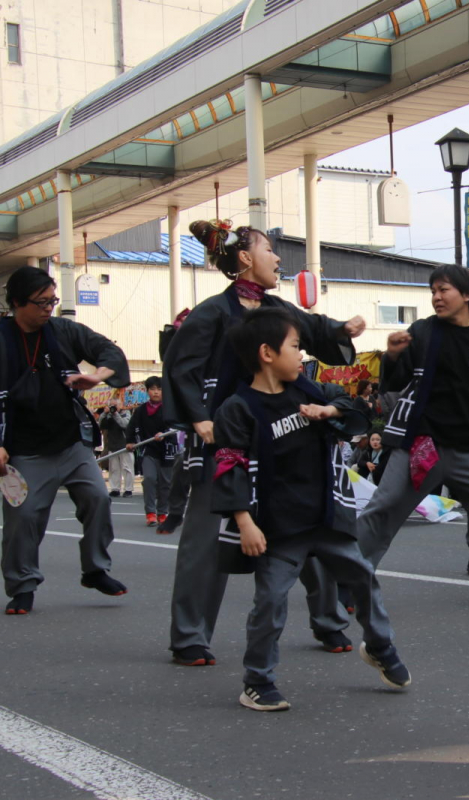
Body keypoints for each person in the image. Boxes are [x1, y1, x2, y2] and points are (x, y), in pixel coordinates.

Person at [162, 219, 363, 666]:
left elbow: (314, 329)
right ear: (246, 258)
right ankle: (190, 635)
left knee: (310, 525)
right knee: (206, 539)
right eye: (269, 249)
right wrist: (198, 419)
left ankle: (329, 620)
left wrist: (342, 329)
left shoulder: (278, 311)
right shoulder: (213, 312)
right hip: (228, 433)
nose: (277, 258)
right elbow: (180, 367)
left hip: (285, 434)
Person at [211, 308, 406, 712]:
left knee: (363, 579)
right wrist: (244, 522)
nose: (302, 356)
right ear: (267, 352)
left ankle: (380, 646)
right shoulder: (238, 408)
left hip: (327, 516)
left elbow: (361, 413)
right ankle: (257, 682)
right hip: (279, 528)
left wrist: (330, 412)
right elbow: (227, 468)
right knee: (270, 603)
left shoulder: (310, 389)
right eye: (296, 347)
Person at [356, 264, 469, 602]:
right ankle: (349, 581)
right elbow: (393, 382)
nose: (436, 297)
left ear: (466, 295)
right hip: (420, 444)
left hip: (468, 448)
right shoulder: (422, 331)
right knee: (385, 507)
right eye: (433, 291)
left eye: (443, 290)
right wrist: (392, 354)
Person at [0, 266, 131, 615]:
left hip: (72, 443)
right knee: (23, 518)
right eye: (41, 302)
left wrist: (96, 376)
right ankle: (22, 586)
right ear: (16, 303)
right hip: (24, 450)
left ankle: (96, 569)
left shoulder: (64, 330)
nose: (48, 308)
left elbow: (109, 352)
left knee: (99, 498)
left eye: (52, 300)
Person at [129, 376, 175, 528]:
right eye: (153, 389)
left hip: (167, 450)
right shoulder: (141, 410)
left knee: (165, 483)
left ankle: (162, 513)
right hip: (148, 450)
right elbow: (132, 427)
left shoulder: (170, 409)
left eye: (159, 389)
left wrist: (165, 434)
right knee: (149, 478)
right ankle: (150, 513)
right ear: (147, 391)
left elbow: (177, 428)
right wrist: (130, 442)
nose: (156, 392)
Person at [99, 403, 133, 497]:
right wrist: (104, 414)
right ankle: (115, 489)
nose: (113, 407)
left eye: (115, 404)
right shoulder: (109, 414)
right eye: (111, 405)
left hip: (125, 445)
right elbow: (101, 425)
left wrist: (116, 414)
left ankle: (128, 489)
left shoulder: (126, 413)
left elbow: (124, 424)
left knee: (127, 468)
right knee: (114, 469)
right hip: (112, 445)